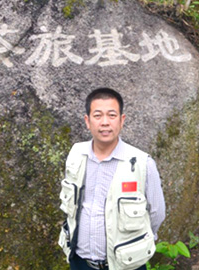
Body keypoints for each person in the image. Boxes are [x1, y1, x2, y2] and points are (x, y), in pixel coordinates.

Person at [58, 87, 165, 270]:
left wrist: (139, 243)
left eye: (112, 115)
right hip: (80, 261)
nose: (105, 122)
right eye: (98, 115)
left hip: (126, 264)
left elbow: (157, 213)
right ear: (87, 121)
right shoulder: (76, 154)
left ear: (122, 120)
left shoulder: (142, 163)